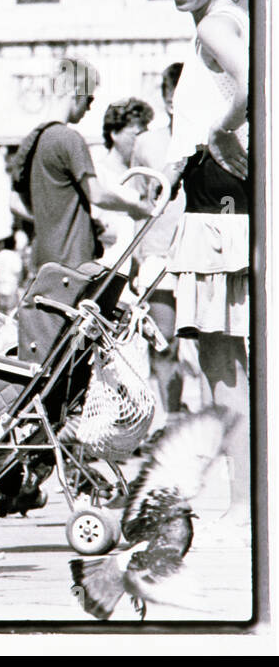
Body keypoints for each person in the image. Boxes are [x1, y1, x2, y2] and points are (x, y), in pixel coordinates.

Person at [157, 0, 250, 531]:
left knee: (222, 364)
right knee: (228, 360)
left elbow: (255, 82)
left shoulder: (217, 26)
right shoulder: (227, 21)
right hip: (220, 208)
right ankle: (245, 494)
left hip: (218, 214)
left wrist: (218, 134)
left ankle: (245, 501)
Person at [10, 58, 151, 272]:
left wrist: (58, 224)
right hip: (74, 262)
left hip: (45, 263)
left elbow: (15, 203)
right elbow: (98, 195)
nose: (89, 107)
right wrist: (136, 207)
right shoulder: (69, 139)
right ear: (77, 92)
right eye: (89, 98)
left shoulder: (33, 140)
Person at [132, 64, 195, 418]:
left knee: (205, 342)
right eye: (171, 94)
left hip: (197, 249)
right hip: (157, 254)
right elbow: (140, 204)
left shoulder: (206, 137)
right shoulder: (146, 143)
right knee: (163, 340)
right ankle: (169, 416)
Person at [92, 98, 155, 271]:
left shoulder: (145, 175)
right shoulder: (98, 173)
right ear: (114, 133)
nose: (140, 142)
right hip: (109, 263)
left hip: (141, 264)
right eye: (134, 136)